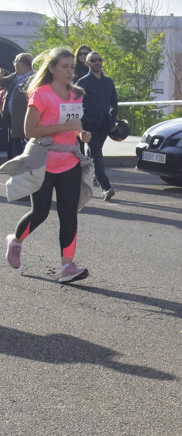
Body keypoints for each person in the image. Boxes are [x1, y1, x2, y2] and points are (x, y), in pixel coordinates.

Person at [3, 47, 94, 283]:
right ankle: (15, 241)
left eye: (72, 67)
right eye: (64, 67)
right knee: (41, 212)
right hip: (43, 162)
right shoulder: (41, 94)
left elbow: (75, 123)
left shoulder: (76, 94)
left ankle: (67, 268)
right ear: (52, 69)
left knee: (69, 215)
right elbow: (29, 130)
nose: (70, 71)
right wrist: (63, 128)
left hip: (69, 161)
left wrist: (82, 134)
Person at [77, 51, 119, 201]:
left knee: (93, 155)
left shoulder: (108, 81)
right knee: (97, 155)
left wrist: (112, 118)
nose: (97, 62)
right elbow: (77, 105)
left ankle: (82, 179)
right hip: (89, 126)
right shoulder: (82, 83)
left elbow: (114, 102)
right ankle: (106, 188)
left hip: (104, 125)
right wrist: (86, 120)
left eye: (99, 60)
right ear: (87, 63)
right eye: (93, 60)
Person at [1, 53, 33, 164]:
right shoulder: (14, 77)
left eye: (16, 61)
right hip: (11, 122)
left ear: (24, 64)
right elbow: (2, 82)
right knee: (13, 152)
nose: (14, 64)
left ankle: (22, 176)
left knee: (22, 152)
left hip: (23, 123)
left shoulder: (33, 78)